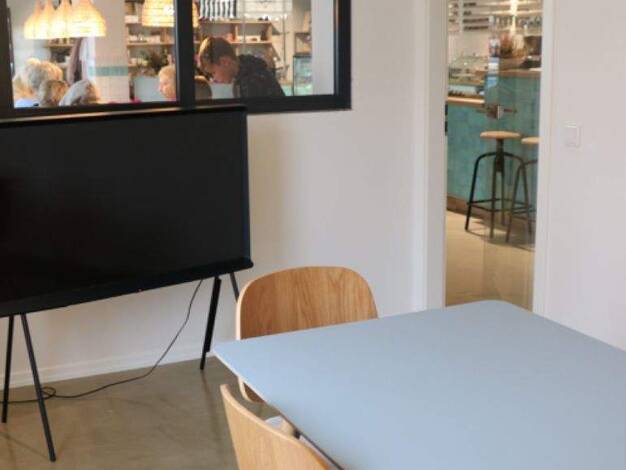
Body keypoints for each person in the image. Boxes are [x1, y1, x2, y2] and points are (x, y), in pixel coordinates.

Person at [197, 37, 284, 99]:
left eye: (213, 73)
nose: (214, 79)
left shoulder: (252, 81)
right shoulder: (245, 72)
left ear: (225, 62)